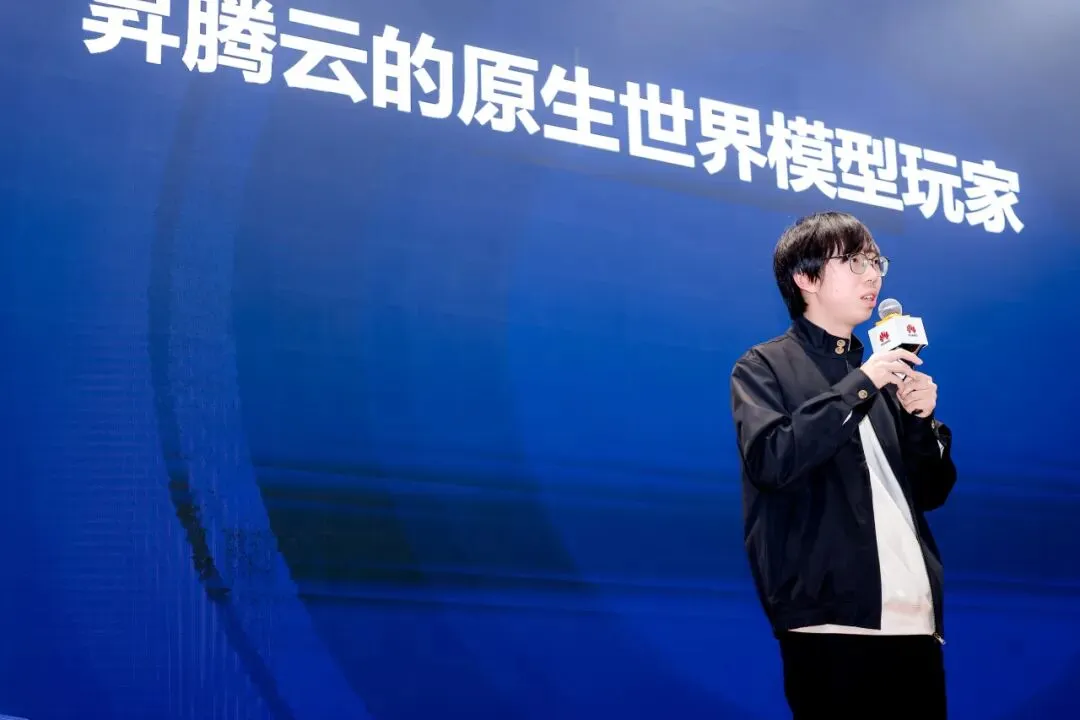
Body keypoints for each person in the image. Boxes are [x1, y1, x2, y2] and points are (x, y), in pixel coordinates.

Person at [729, 211, 957, 718]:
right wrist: (862, 384)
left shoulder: (882, 371)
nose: (873, 275)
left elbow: (932, 492)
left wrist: (921, 421)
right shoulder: (764, 366)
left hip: (916, 623)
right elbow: (772, 460)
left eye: (876, 262)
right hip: (829, 623)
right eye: (855, 262)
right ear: (805, 278)